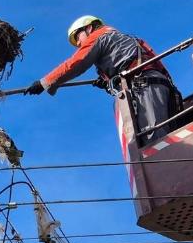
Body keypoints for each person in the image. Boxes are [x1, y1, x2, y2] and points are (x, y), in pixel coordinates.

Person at [24, 15, 178, 145]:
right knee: (164, 137)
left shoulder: (101, 35)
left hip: (145, 86)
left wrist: (45, 82)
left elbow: (77, 63)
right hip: (157, 86)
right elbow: (124, 64)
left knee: (154, 140)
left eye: (77, 37)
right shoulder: (119, 40)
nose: (78, 43)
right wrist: (108, 81)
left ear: (89, 28)